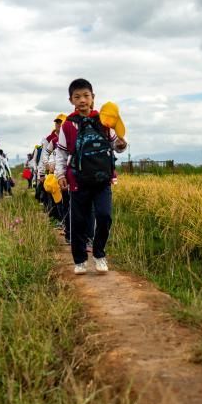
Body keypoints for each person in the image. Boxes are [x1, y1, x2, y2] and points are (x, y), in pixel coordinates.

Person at [54, 78, 127, 274]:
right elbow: (60, 153)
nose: (82, 100)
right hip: (77, 180)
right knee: (79, 222)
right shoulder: (68, 125)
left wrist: (121, 145)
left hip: (103, 179)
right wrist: (60, 175)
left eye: (86, 96)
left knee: (104, 216)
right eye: (77, 97)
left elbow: (114, 144)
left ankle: (99, 254)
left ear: (93, 98)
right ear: (71, 100)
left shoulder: (103, 120)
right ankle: (80, 260)